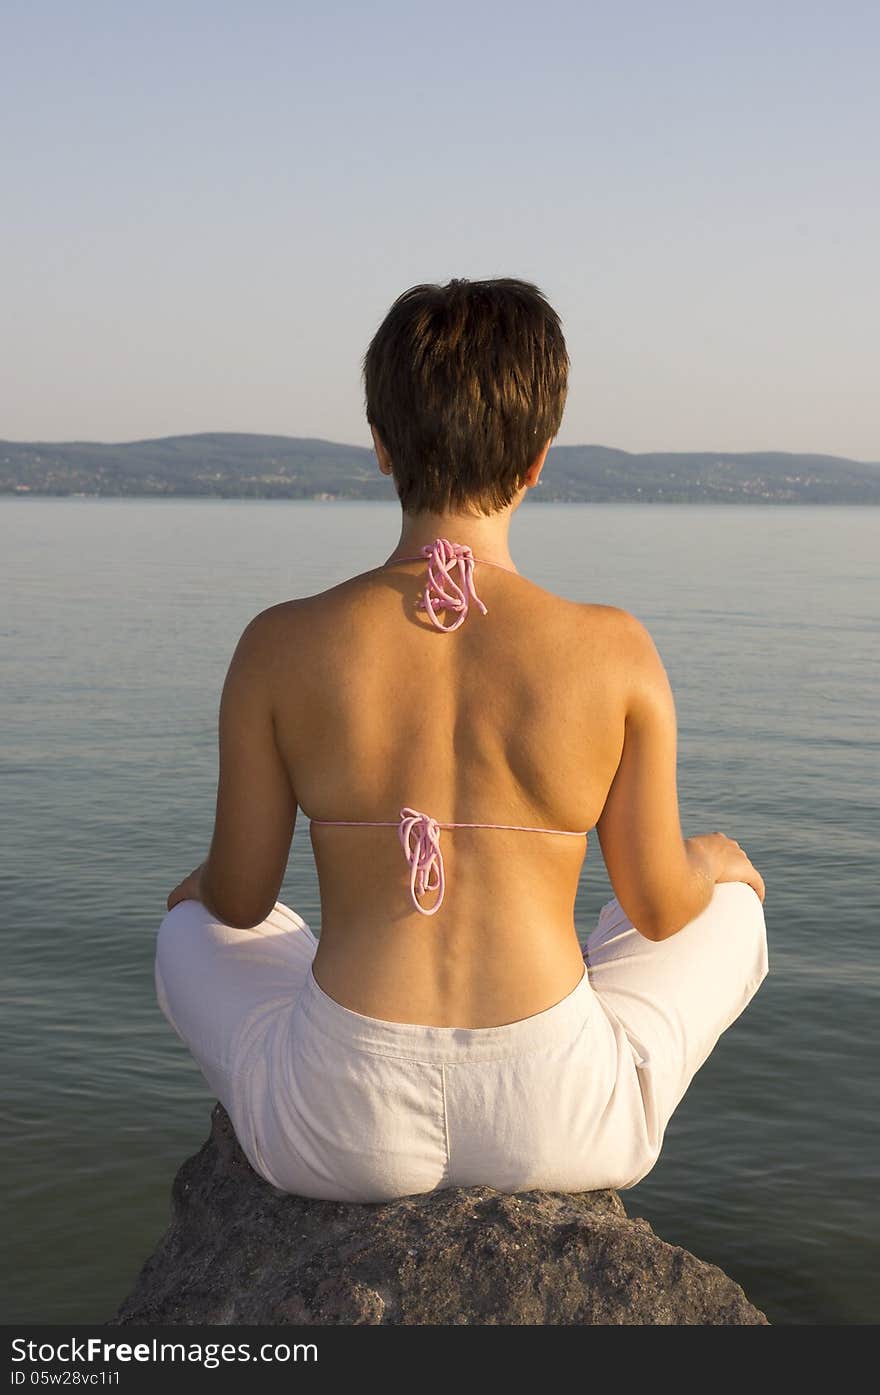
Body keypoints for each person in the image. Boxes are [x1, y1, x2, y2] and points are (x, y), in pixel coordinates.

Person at [155, 277, 769, 1202]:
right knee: (731, 913)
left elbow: (243, 902)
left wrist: (201, 889)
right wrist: (711, 860)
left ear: (380, 445)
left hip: (338, 1116)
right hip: (558, 1112)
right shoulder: (614, 649)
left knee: (188, 935)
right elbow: (657, 906)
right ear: (538, 460)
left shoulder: (278, 643)